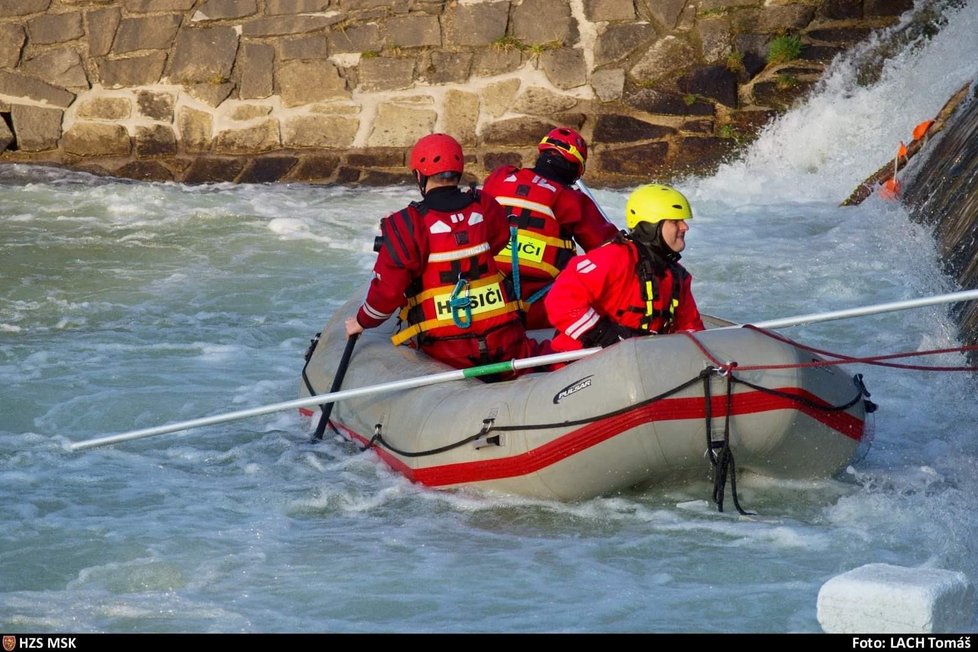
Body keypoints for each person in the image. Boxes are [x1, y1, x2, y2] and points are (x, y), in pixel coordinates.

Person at [345, 133, 538, 377]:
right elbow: (498, 243)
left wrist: (361, 321)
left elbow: (387, 293)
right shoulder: (484, 204)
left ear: (419, 176)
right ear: (459, 171)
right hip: (506, 341)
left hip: (446, 352)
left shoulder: (405, 223)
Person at [481, 126, 619, 329]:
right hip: (541, 309)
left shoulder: (501, 176)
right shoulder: (571, 199)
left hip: (488, 300)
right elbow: (608, 252)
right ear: (576, 170)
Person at [543, 183, 705, 352]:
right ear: (650, 226)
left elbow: (690, 326)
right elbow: (560, 301)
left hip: (637, 362)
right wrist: (603, 335)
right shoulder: (614, 257)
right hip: (580, 362)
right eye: (675, 221)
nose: (684, 227)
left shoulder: (677, 275)